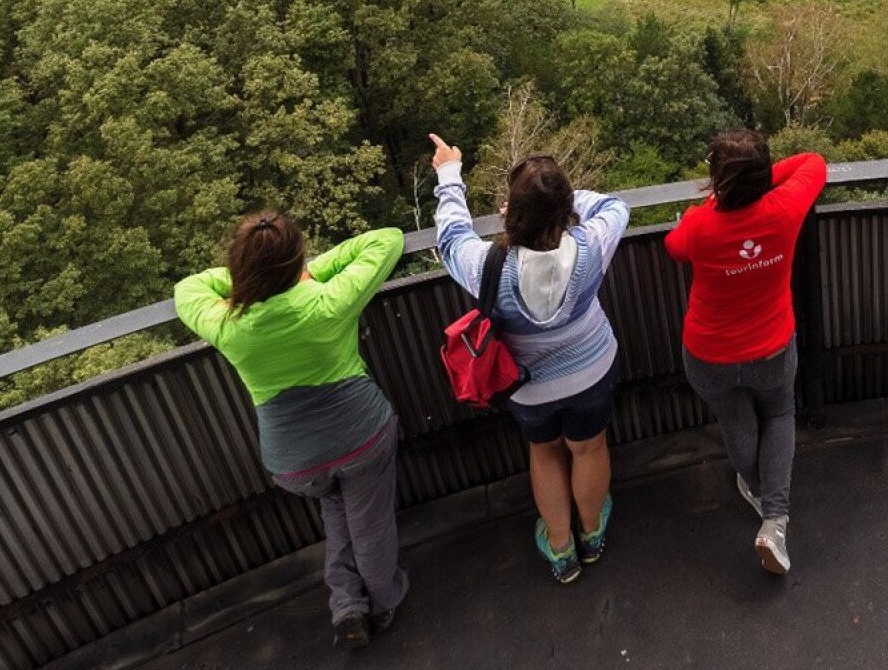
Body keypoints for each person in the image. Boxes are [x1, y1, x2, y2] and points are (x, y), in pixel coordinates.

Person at [174, 211, 407, 650]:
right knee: (370, 524)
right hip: (361, 438)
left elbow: (187, 289)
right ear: (297, 260)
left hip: (295, 463)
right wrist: (307, 274)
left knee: (337, 511)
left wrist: (255, 281)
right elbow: (387, 239)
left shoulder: (229, 324)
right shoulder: (326, 299)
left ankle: (347, 606)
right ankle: (384, 599)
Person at [431, 133, 629, 585]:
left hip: (528, 384)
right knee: (589, 446)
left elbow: (451, 235)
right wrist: (556, 197)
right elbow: (616, 206)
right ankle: (592, 532)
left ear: (511, 211)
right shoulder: (590, 244)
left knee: (544, 452)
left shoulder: (487, 265)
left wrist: (448, 173)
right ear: (564, 210)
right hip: (591, 369)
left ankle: (562, 550)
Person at [664, 129, 827, 576]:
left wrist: (730, 192)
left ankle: (756, 488)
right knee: (778, 416)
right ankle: (774, 521)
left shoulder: (700, 224)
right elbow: (813, 161)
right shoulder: (785, 208)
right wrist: (758, 182)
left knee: (736, 420)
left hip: (710, 355)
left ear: (717, 178)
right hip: (772, 347)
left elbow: (672, 247)